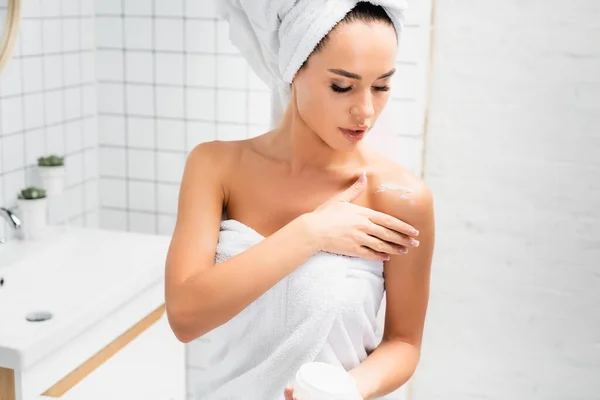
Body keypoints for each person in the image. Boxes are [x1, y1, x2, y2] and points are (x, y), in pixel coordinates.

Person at [164, 2, 434, 399]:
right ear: (293, 71)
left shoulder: (400, 197)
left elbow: (404, 343)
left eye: (381, 86)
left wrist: (347, 389)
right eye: (342, 86)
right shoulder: (215, 166)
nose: (366, 111)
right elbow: (185, 317)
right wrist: (311, 232)